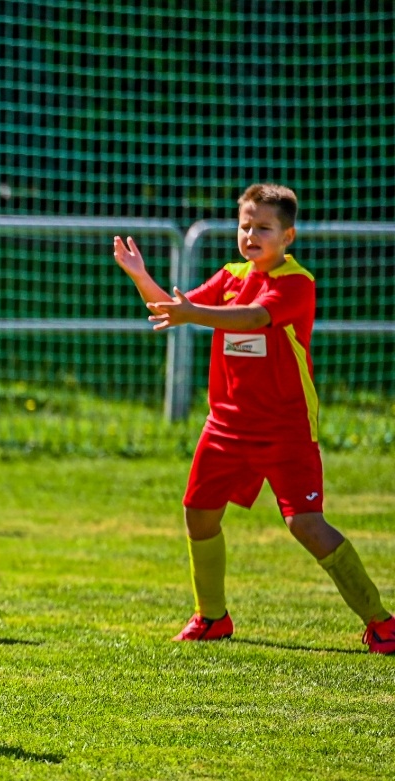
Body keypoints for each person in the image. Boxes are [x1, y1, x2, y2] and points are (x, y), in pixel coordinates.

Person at [112, 183, 395, 651]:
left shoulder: (296, 283)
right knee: (198, 515)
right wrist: (140, 276)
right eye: (245, 225)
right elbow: (172, 308)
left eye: (263, 227)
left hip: (285, 429)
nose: (250, 235)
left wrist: (192, 313)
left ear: (288, 236)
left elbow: (250, 319)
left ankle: (381, 621)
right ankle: (212, 617)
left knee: (305, 524)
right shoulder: (229, 275)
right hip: (225, 427)